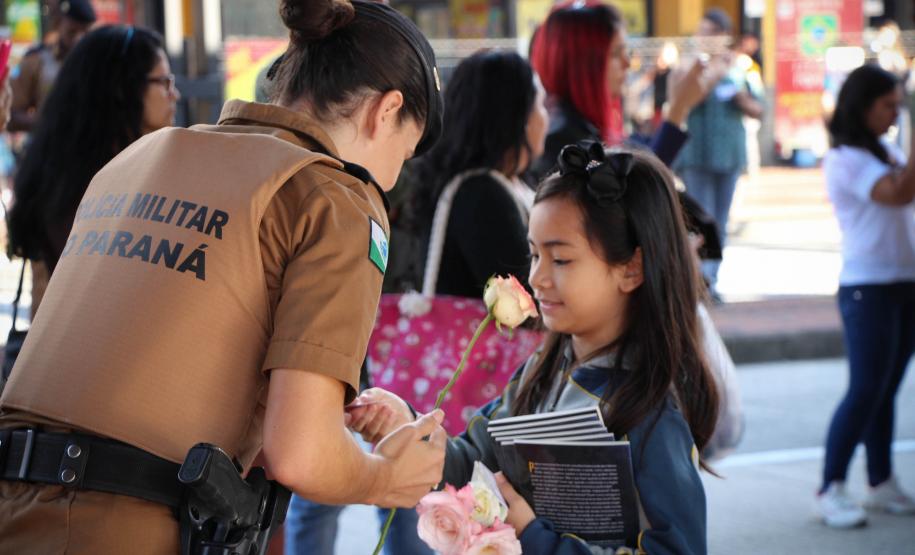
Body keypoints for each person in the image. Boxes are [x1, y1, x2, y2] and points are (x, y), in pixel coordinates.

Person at [0, 1, 447, 553]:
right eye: (403, 153)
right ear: (386, 111)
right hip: (128, 528)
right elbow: (300, 453)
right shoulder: (337, 198)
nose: (390, 177)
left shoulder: (141, 155)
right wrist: (388, 477)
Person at [352, 145, 720, 554]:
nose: (537, 277)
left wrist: (534, 536)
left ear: (631, 268)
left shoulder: (648, 410)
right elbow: (473, 461)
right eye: (534, 253)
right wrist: (406, 424)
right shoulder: (539, 374)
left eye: (560, 259)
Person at [818, 64, 915, 529]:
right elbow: (897, 194)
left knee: (886, 389)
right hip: (867, 287)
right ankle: (830, 486)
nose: (895, 113)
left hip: (903, 281)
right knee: (865, 390)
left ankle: (879, 480)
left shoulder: (888, 149)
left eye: (899, 105)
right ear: (863, 106)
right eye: (888, 105)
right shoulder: (844, 159)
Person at [7, 25, 180, 282]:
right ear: (122, 88)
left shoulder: (72, 174)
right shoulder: (89, 191)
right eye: (164, 82)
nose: (174, 95)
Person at [410, 49, 548, 297]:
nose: (546, 117)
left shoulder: (501, 184)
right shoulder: (481, 196)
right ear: (518, 117)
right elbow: (524, 303)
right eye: (541, 105)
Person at [528, 0, 709, 179]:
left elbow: (640, 159)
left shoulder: (581, 124)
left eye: (625, 52)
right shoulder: (567, 145)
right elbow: (640, 185)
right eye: (615, 53)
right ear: (581, 65)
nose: (627, 63)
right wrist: (678, 108)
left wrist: (678, 108)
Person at [672, 8, 764, 300]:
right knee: (700, 219)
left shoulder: (742, 67)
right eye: (702, 32)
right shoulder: (687, 66)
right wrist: (713, 76)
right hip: (696, 154)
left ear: (724, 36)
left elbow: (759, 108)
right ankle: (696, 281)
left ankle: (711, 279)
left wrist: (741, 97)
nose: (705, 38)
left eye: (711, 32)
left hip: (729, 154)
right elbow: (680, 102)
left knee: (721, 221)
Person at [8, 0, 95, 133]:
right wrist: (48, 123)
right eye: (72, 32)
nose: (79, 39)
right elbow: (11, 115)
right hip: (48, 148)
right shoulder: (36, 60)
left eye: (85, 33)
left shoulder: (99, 63)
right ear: (58, 24)